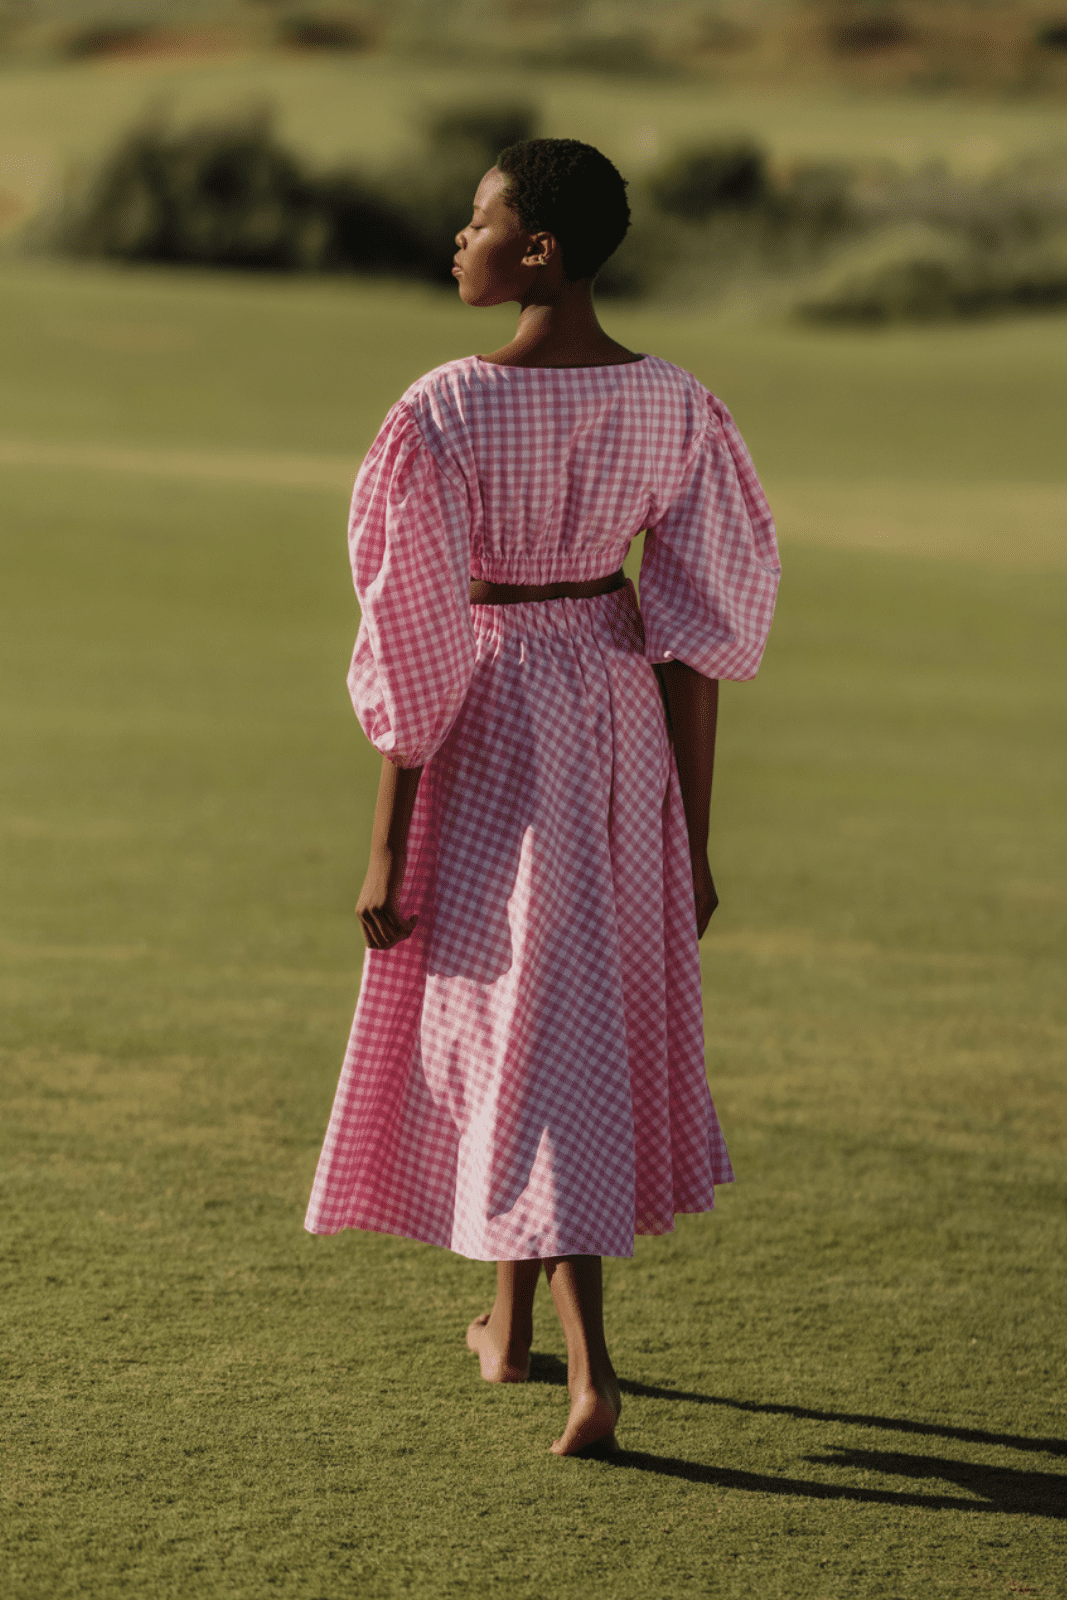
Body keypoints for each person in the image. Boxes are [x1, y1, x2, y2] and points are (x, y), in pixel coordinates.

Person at [305, 139, 780, 1456]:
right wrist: (690, 837)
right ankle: (505, 1333)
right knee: (545, 1016)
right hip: (615, 724)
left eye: (477, 223)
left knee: (524, 1024)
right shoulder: (678, 406)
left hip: (494, 727)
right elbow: (699, 641)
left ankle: (592, 1372)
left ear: (540, 256)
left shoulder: (443, 412)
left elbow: (415, 647)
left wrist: (387, 849)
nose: (456, 243)